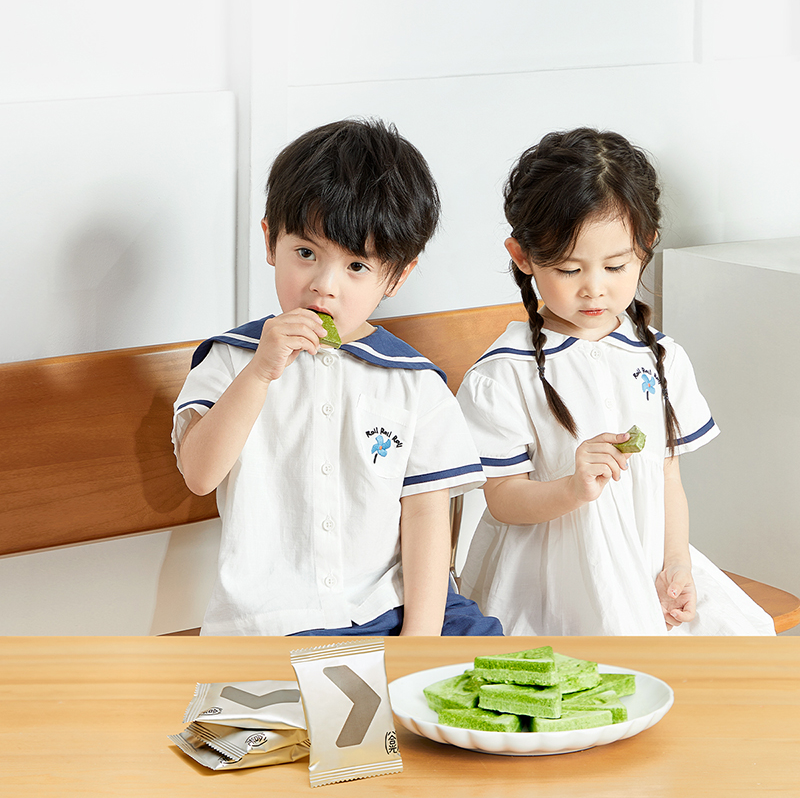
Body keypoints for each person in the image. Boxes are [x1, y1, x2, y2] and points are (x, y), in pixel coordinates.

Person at [172, 118, 502, 636]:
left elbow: (426, 517)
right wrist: (260, 374)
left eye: (356, 267)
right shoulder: (232, 360)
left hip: (391, 610)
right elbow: (199, 475)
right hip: (275, 622)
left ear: (398, 275)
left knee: (489, 653)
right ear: (270, 242)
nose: (324, 286)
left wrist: (419, 642)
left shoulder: (416, 384)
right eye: (306, 254)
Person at [456, 127, 775, 635]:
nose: (594, 288)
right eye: (569, 269)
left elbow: (667, 477)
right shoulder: (504, 373)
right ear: (523, 256)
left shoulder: (660, 357)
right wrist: (571, 488)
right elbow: (502, 499)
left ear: (645, 247)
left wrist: (677, 563)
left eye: (615, 265)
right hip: (547, 586)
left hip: (644, 564)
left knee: (738, 644)